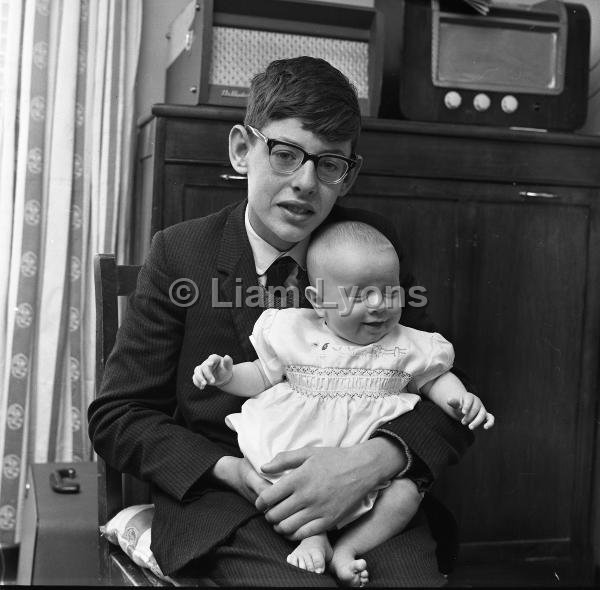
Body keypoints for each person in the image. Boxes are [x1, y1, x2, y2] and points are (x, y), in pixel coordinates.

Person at [88, 56, 474, 587]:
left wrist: (376, 459)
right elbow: (119, 416)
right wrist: (234, 472)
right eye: (286, 155)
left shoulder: (371, 248)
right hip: (235, 504)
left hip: (370, 502)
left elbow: (441, 389)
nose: (306, 184)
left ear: (349, 174)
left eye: (329, 164)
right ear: (243, 149)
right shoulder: (181, 254)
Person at [194, 221, 494, 587]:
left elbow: (434, 379)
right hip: (299, 452)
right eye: (359, 295)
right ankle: (313, 536)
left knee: (407, 492)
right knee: (279, 473)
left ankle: (349, 548)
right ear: (319, 300)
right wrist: (226, 376)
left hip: (373, 473)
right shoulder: (294, 331)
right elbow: (261, 375)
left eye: (390, 292)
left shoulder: (408, 342)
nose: (379, 306)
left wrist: (460, 400)